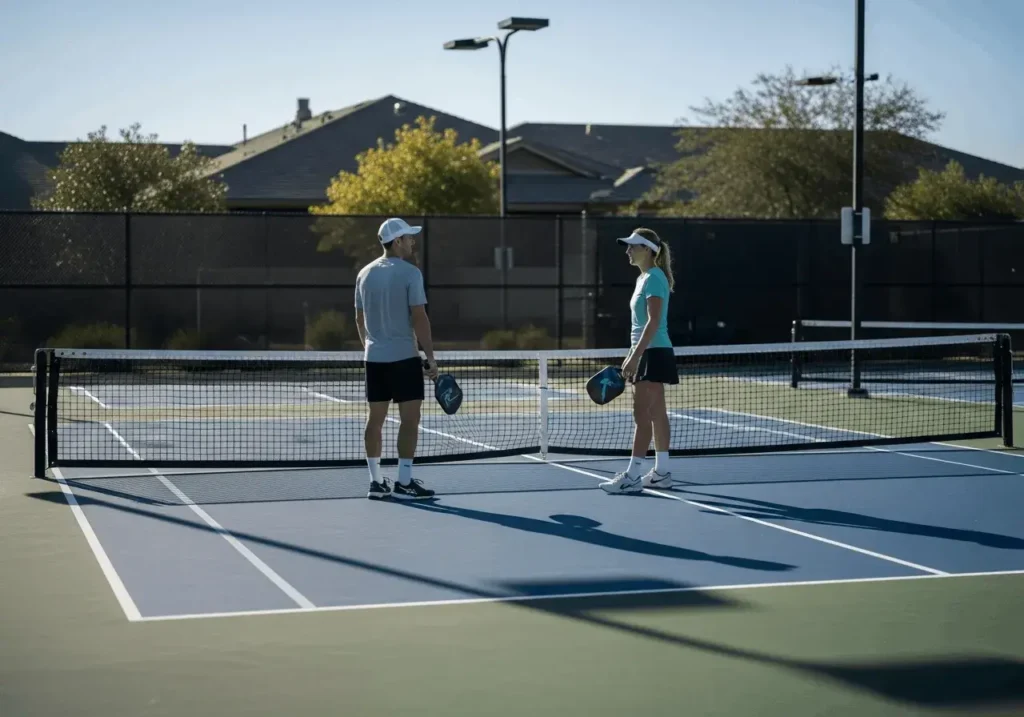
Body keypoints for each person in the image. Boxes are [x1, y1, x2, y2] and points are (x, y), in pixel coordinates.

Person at [354, 217, 439, 501]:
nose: (413, 241)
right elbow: (419, 316)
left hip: (374, 359)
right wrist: (430, 357)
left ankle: (375, 483)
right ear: (397, 241)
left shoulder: (363, 274)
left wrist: (370, 347)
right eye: (409, 237)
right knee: (410, 420)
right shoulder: (411, 273)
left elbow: (359, 318)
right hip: (404, 359)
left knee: (375, 420)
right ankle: (404, 482)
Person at [600, 227, 678, 495]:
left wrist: (635, 356)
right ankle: (662, 473)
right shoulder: (645, 278)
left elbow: (654, 321)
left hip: (651, 353)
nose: (628, 251)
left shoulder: (653, 278)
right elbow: (644, 323)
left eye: (633, 246)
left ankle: (632, 476)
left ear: (647, 249)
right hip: (651, 351)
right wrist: (633, 353)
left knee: (641, 416)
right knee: (656, 414)